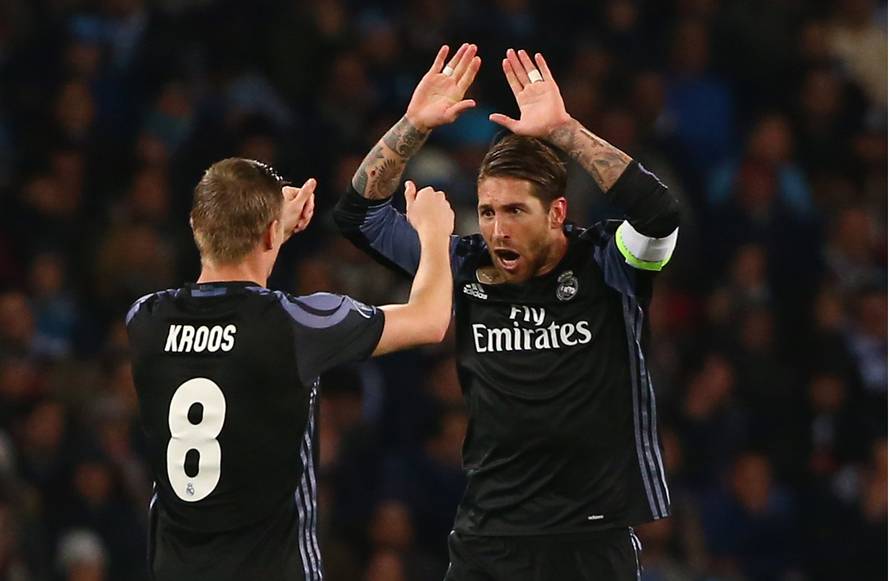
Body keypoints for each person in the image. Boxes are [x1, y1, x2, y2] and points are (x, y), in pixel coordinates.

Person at [334, 44, 680, 580]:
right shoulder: (464, 266)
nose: (497, 230)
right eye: (489, 212)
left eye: (516, 211)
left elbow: (660, 214)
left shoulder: (612, 264)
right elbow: (359, 216)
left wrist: (565, 131)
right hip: (488, 539)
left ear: (557, 213)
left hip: (589, 538)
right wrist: (412, 125)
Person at [125, 157, 454, 581]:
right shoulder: (296, 324)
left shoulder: (145, 319)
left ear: (194, 224)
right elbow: (429, 320)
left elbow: (223, 296)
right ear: (268, 234)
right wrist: (433, 234)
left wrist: (270, 227)